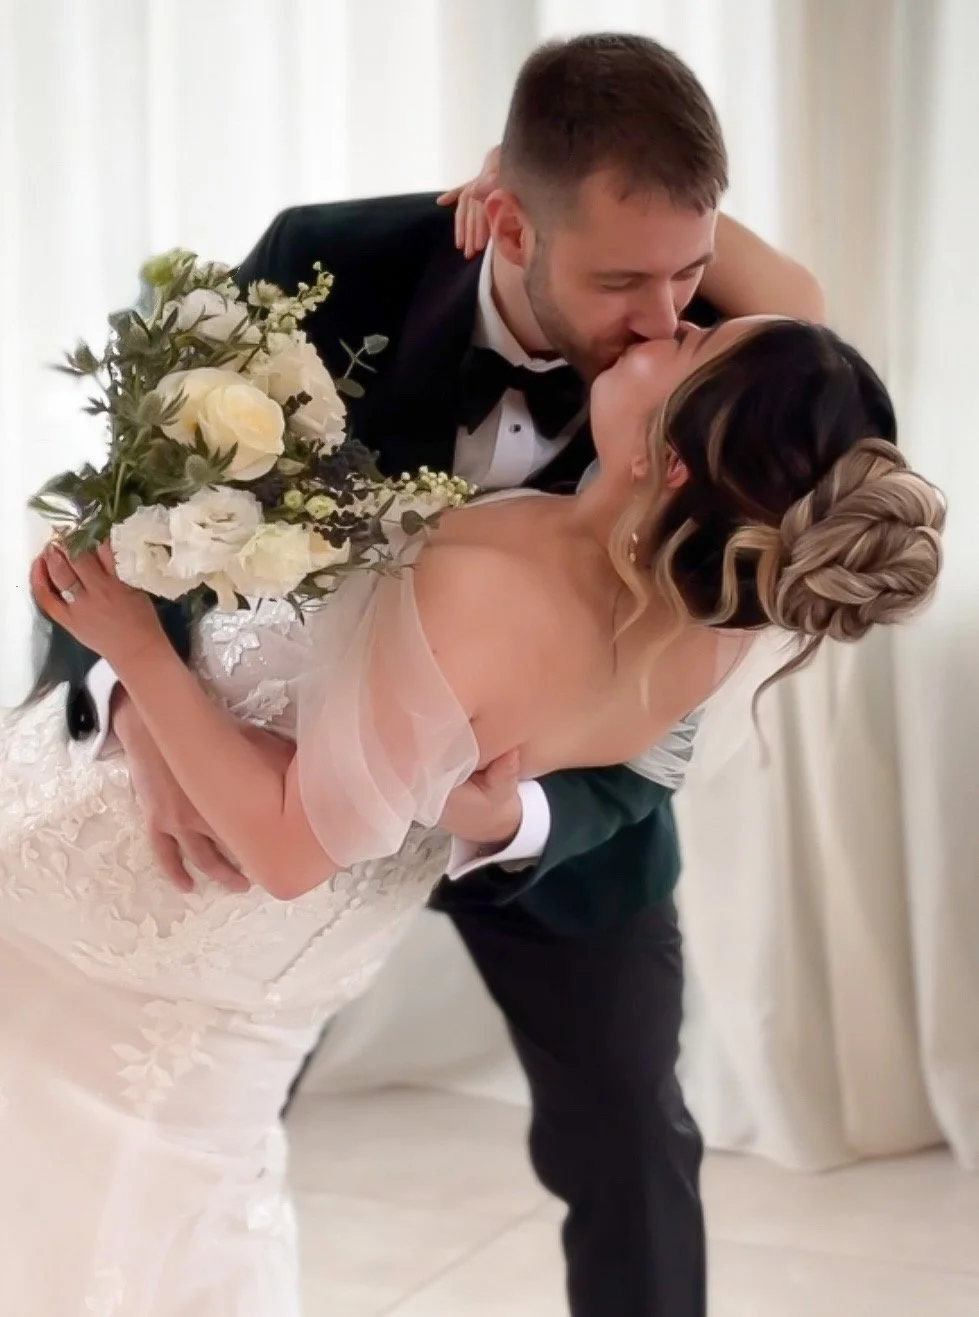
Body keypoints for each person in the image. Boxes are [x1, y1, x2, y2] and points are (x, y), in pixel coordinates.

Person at [38, 33, 834, 1317]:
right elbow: (137, 507)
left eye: (689, 270)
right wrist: (137, 707)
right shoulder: (330, 261)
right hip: (277, 784)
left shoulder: (711, 367)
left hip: (556, 823)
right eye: (624, 276)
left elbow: (690, 701)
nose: (664, 316)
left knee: (631, 1137)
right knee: (184, 1112)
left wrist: (509, 814)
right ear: (506, 224)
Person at [9, 310, 943, 1315]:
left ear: (673, 464)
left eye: (688, 349)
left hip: (164, 887)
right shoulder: (716, 625)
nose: (665, 325)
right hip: (299, 954)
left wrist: (139, 654)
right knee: (159, 1209)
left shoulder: (489, 584)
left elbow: (284, 849)